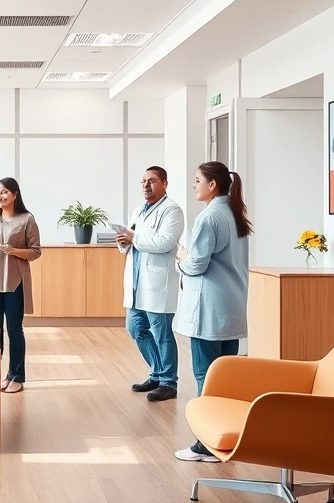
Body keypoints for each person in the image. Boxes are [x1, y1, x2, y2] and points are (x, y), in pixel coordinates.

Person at [172, 161, 252, 463]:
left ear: (212, 184)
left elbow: (197, 264)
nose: (194, 186)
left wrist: (182, 259)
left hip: (209, 310)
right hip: (231, 307)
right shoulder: (235, 214)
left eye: (197, 180)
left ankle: (204, 444)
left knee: (206, 376)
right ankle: (224, 439)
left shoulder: (209, 217)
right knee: (226, 377)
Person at [115, 166, 185, 403]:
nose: (146, 185)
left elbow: (165, 242)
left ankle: (168, 382)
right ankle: (157, 373)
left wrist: (134, 238)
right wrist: (123, 241)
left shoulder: (172, 210)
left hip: (157, 283)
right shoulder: (138, 211)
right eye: (143, 181)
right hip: (136, 282)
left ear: (164, 183)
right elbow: (132, 242)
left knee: (162, 333)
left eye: (152, 181)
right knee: (135, 328)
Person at [0, 178, 41, 394]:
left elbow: (36, 251)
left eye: (4, 192)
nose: (0, 195)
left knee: (14, 329)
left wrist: (14, 251)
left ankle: (16, 376)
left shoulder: (27, 219)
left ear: (15, 195)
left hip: (14, 280)